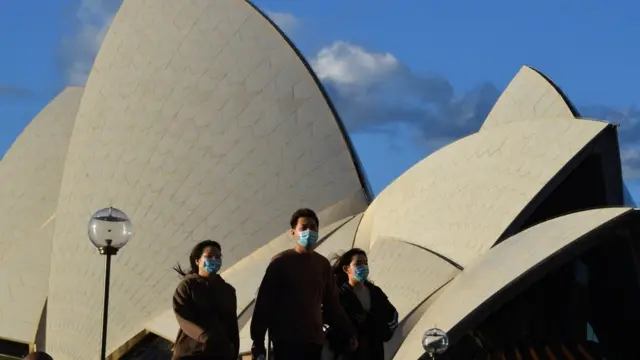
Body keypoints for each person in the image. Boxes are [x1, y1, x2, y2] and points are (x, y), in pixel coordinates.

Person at [250, 208, 358, 360]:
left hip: (313, 340)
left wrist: (349, 331)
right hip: (286, 340)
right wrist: (258, 340)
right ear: (293, 233)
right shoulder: (280, 262)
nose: (309, 231)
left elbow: (333, 304)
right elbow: (265, 302)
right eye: (304, 227)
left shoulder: (322, 265)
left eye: (313, 227)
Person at [324, 248, 398, 360]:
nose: (363, 267)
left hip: (374, 351)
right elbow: (327, 321)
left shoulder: (375, 292)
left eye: (365, 263)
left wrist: (378, 326)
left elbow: (392, 316)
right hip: (349, 353)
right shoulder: (339, 295)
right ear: (346, 269)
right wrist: (345, 339)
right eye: (358, 263)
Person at [172, 240, 239, 360]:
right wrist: (204, 336)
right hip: (190, 353)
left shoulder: (228, 291)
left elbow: (232, 323)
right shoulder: (187, 286)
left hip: (220, 354)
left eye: (218, 257)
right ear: (197, 261)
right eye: (209, 256)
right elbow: (183, 317)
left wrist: (233, 349)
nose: (214, 260)